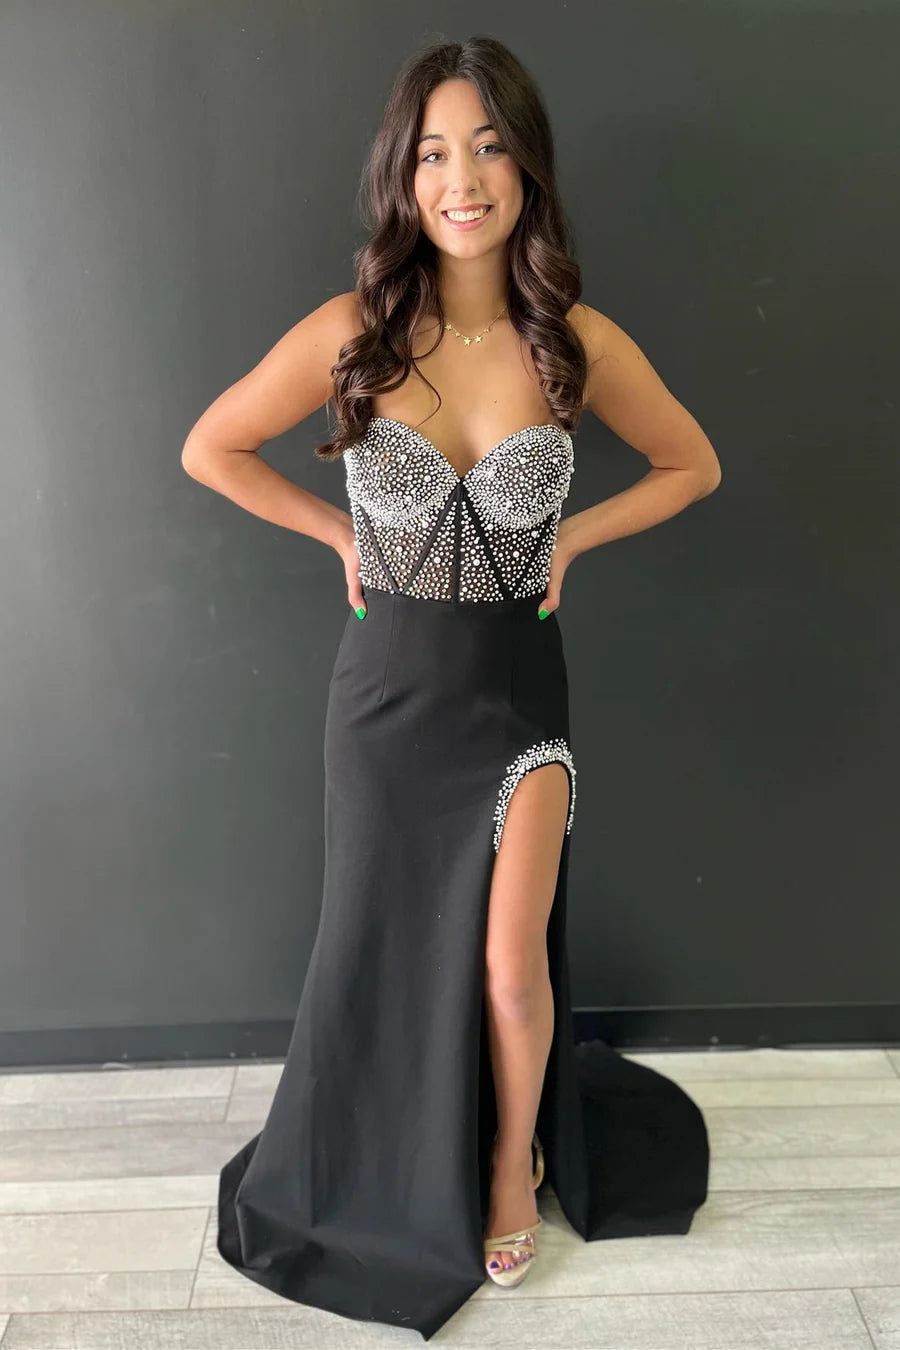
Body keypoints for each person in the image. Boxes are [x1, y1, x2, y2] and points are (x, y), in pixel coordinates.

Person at [181, 34, 720, 1344]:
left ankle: (508, 1163)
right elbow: (212, 447)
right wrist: (338, 534)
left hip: (519, 697)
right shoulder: (352, 333)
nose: (461, 180)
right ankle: (390, 1153)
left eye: (486, 148)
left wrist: (573, 538)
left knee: (507, 965)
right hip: (385, 702)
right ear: (402, 174)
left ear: (525, 168)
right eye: (433, 153)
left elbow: (691, 464)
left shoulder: (573, 341)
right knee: (378, 949)